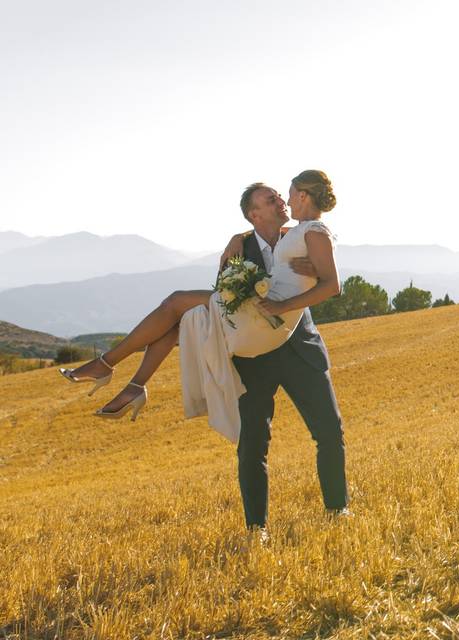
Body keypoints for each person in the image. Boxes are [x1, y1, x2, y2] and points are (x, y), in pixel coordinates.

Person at [60, 170, 349, 524]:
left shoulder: (300, 234)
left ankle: (338, 511)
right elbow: (226, 302)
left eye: (280, 196)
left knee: (329, 432)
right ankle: (255, 528)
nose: (280, 201)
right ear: (254, 215)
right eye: (270, 199)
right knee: (252, 446)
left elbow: (330, 278)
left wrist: (311, 274)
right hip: (252, 353)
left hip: (300, 348)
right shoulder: (238, 249)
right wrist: (239, 237)